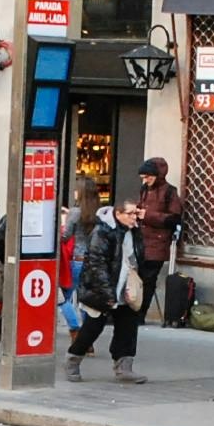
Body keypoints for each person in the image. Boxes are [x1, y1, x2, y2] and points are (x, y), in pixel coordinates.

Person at [67, 195, 147, 383]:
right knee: (92, 327)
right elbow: (97, 263)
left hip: (126, 287)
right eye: (130, 213)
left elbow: (138, 255)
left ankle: (124, 367)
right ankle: (73, 359)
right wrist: (106, 292)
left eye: (136, 213)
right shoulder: (103, 231)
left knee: (127, 328)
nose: (134, 217)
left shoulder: (134, 231)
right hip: (103, 288)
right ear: (118, 214)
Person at [132, 157, 185, 320]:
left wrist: (147, 215)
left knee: (148, 279)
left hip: (158, 242)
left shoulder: (170, 191)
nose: (146, 180)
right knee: (137, 278)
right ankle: (134, 311)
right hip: (142, 240)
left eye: (148, 177)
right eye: (143, 177)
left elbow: (174, 218)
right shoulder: (144, 189)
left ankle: (140, 314)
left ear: (157, 175)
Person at [61, 176, 101, 334]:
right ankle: (87, 335)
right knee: (85, 299)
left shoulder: (75, 212)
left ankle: (74, 328)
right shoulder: (98, 212)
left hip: (77, 258)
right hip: (92, 259)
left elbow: (66, 236)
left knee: (64, 297)